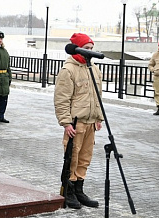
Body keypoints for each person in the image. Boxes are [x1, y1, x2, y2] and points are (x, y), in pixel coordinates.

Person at [54, 33, 103, 209]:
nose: (90, 52)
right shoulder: (68, 70)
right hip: (75, 123)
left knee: (85, 158)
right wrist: (66, 122)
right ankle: (68, 191)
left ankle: (79, 190)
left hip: (91, 122)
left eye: (91, 48)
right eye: (86, 48)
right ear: (77, 49)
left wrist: (98, 118)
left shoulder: (94, 69)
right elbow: (61, 99)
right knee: (72, 157)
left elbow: (97, 96)